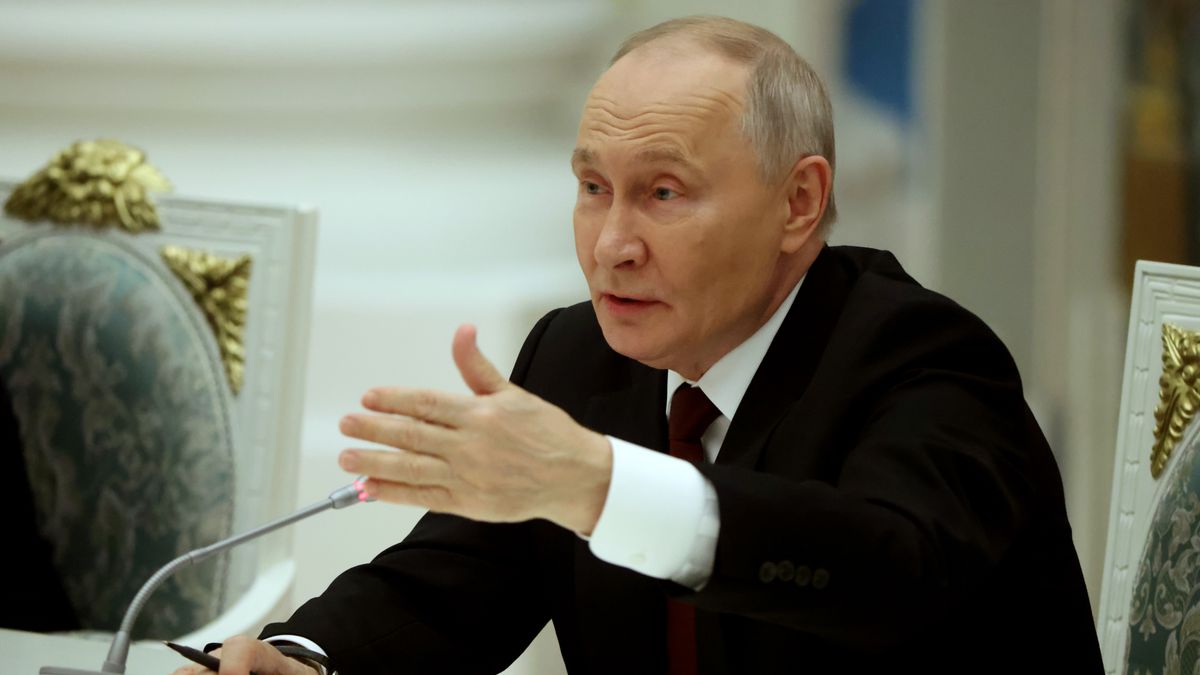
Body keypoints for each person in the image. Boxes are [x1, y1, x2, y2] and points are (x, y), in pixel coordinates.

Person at [174, 15, 1103, 675]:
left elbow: (883, 573)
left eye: (663, 192)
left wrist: (598, 485)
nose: (611, 240)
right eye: (592, 187)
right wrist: (303, 659)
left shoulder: (925, 359)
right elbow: (444, 588)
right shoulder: (580, 357)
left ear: (799, 202)